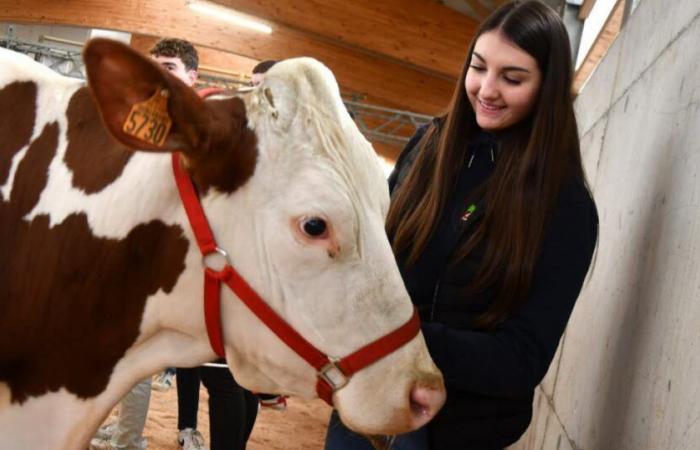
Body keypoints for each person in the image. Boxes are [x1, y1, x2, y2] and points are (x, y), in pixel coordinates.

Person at [324, 1, 598, 449]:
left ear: (546, 88)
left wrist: (407, 340)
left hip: (457, 432)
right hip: (368, 407)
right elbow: (375, 257)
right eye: (478, 67)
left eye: (512, 78)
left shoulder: (565, 207)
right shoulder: (429, 144)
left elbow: (523, 358)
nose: (487, 90)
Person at [91, 38, 259, 450]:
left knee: (222, 378)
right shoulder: (144, 124)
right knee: (132, 360)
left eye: (169, 66)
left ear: (192, 75)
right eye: (154, 67)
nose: (160, 76)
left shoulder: (214, 123)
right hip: (150, 269)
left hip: (209, 270)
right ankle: (132, 434)